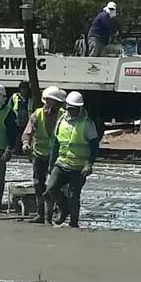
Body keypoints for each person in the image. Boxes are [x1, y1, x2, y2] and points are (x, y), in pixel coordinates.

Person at [44, 90, 100, 228]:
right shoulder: (61, 121)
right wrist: (51, 163)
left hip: (78, 167)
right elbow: (55, 143)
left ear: (80, 108)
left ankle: (73, 223)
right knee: (51, 188)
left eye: (75, 109)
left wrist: (89, 164)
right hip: (61, 164)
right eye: (70, 108)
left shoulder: (87, 124)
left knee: (74, 196)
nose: (72, 111)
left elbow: (94, 146)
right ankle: (64, 209)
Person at [22, 86, 66, 223]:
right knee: (38, 184)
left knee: (55, 186)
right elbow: (27, 132)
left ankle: (57, 213)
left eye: (55, 103)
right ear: (45, 101)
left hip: (57, 157)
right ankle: (41, 214)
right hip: (39, 155)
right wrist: (25, 143)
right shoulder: (37, 115)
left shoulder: (63, 116)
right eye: (49, 102)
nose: (51, 106)